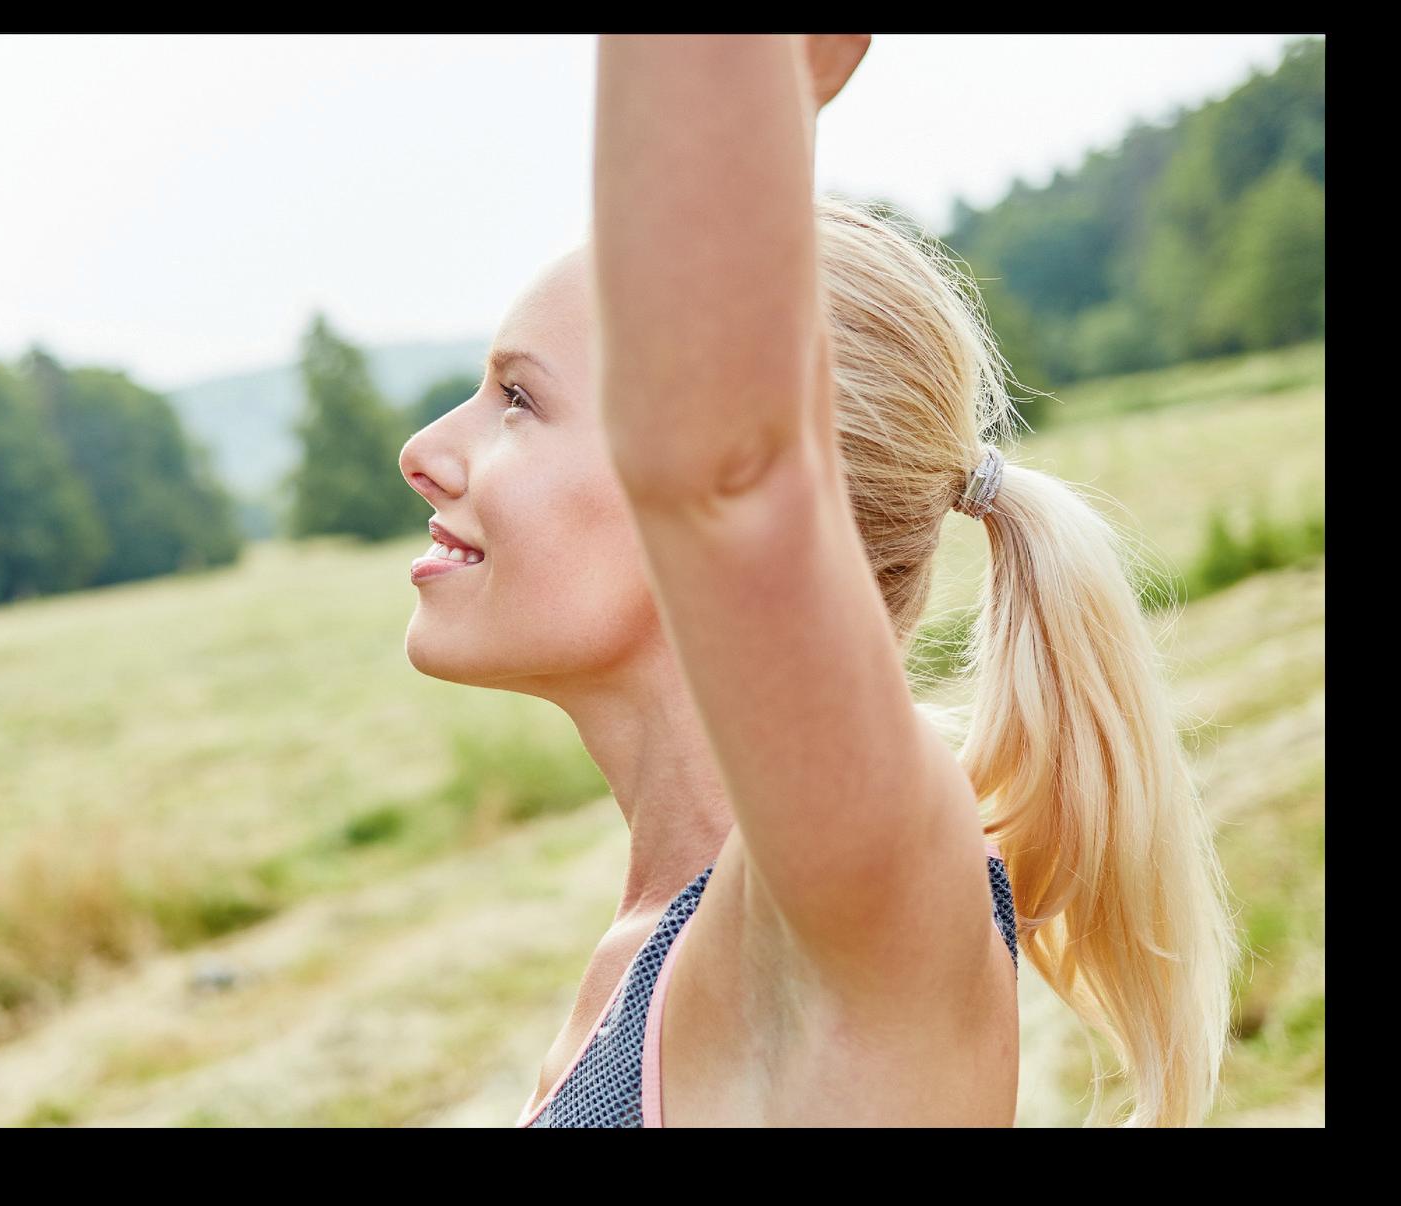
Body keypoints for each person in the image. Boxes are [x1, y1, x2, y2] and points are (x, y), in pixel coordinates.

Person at [398, 34, 1239, 1128]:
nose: (424, 450)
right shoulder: (662, 941)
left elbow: (722, 473)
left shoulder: (859, 906)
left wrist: (721, 82)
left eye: (519, 399)